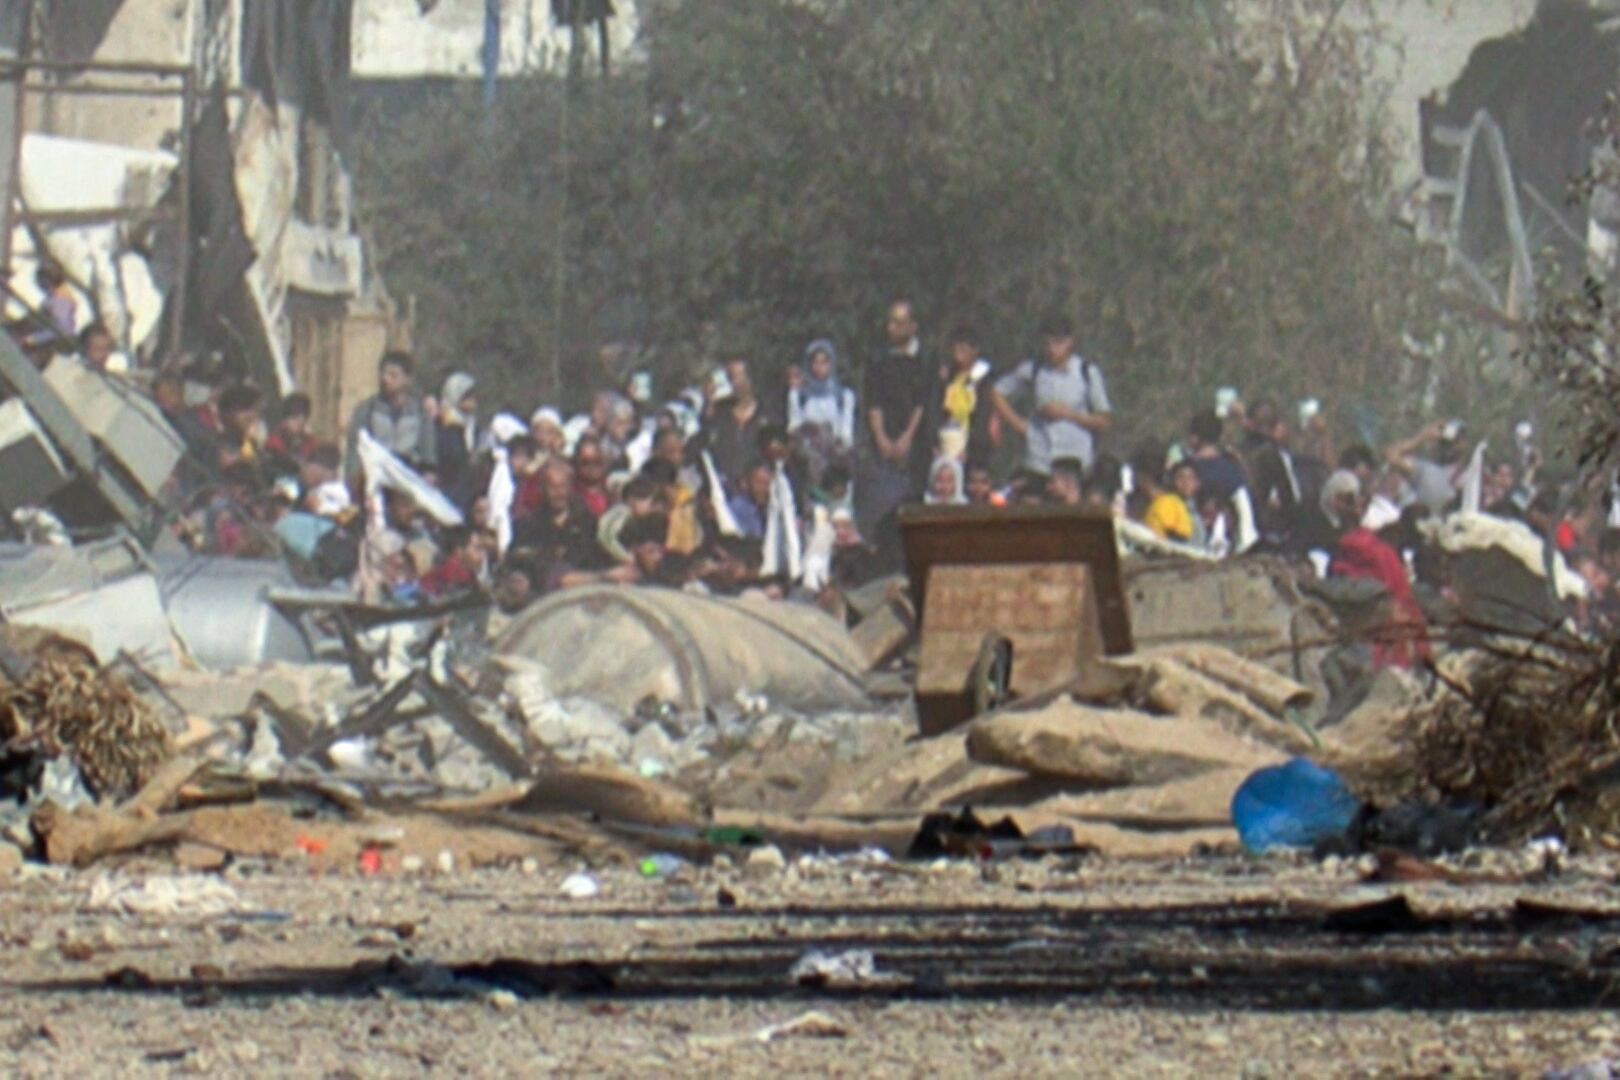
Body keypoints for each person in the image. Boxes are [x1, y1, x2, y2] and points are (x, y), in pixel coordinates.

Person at [990, 313, 1111, 476]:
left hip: (1075, 459)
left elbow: (1104, 421)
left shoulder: (1087, 373)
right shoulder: (1034, 369)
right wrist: (1019, 425)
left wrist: (1068, 414)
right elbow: (997, 392)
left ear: (1070, 342)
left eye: (1058, 343)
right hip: (1039, 459)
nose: (1052, 349)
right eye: (1047, 343)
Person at [857, 298, 936, 546]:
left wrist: (907, 437)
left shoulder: (926, 358)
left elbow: (924, 401)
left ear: (913, 326)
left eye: (899, 323)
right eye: (890, 322)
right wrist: (880, 437)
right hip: (883, 440)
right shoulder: (878, 358)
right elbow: (874, 400)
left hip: (915, 442)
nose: (892, 328)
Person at [345, 351, 435, 482]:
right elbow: (355, 448)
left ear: (407, 379)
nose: (386, 379)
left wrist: (428, 474)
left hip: (409, 476)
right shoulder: (367, 409)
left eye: (393, 375)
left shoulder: (419, 412)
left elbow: (428, 452)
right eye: (383, 374)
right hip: (376, 475)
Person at [696, 356, 772, 487]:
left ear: (749, 379)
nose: (728, 382)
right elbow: (704, 443)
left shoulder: (767, 414)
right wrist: (709, 403)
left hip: (756, 489)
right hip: (724, 487)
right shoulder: (718, 413)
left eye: (732, 376)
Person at [788, 338, 858, 456]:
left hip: (835, 456)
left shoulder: (844, 396)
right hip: (806, 456)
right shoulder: (798, 396)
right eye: (815, 362)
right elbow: (793, 427)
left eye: (824, 362)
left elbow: (846, 432)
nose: (819, 367)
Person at [938, 325, 994, 463]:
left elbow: (983, 416)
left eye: (963, 348)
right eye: (956, 348)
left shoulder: (984, 379)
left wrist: (970, 450)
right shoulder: (947, 377)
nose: (958, 353)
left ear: (975, 350)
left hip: (971, 446)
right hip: (946, 441)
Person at [1384, 420, 1464, 514]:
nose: (1452, 446)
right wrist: (1423, 437)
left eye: (1458, 441)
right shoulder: (1425, 469)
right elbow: (1390, 455)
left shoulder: (1469, 475)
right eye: (1446, 443)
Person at [436, 372, 480, 503]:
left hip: (465, 491)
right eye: (468, 396)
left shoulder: (472, 426)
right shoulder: (444, 424)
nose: (473, 400)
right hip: (448, 489)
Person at [728, 461, 774, 539]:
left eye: (767, 484)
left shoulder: (773, 508)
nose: (764, 489)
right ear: (745, 483)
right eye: (759, 482)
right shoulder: (735, 510)